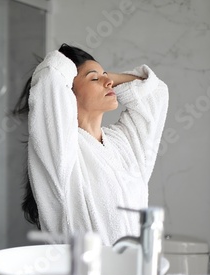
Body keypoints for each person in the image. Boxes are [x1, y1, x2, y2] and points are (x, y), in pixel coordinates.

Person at [14, 44, 169, 245]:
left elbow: (155, 92)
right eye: (94, 79)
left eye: (108, 76)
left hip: (131, 272)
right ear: (68, 93)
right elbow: (51, 72)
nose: (109, 82)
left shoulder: (123, 143)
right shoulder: (61, 150)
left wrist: (100, 76)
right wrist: (85, 72)